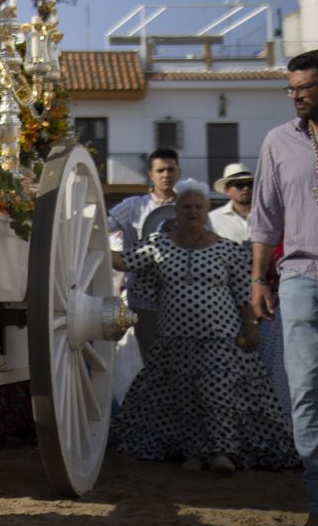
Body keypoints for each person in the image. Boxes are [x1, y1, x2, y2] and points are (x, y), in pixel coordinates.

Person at [113, 180, 296, 474]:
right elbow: (124, 261)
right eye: (186, 207)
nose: (193, 212)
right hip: (175, 338)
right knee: (185, 397)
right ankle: (196, 453)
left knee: (218, 392)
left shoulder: (226, 249)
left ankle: (223, 453)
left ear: (206, 212)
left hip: (220, 337)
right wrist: (92, 242)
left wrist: (250, 325)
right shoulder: (158, 245)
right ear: (177, 212)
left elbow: (242, 292)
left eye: (198, 207)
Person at [250, 49, 318, 526]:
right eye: (290, 89)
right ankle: (317, 503)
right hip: (298, 277)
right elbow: (265, 218)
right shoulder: (277, 141)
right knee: (306, 392)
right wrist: (258, 279)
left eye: (304, 87)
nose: (295, 96)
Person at [109, 148, 180, 353]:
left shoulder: (189, 207)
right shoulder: (133, 206)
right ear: (151, 174)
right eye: (160, 170)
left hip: (182, 296)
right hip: (142, 297)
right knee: (147, 354)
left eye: (170, 169)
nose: (166, 175)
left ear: (179, 172)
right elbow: (101, 227)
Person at [210, 163, 255, 242]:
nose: (246, 188)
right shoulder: (212, 219)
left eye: (250, 184)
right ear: (227, 190)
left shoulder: (268, 216)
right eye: (239, 185)